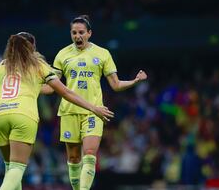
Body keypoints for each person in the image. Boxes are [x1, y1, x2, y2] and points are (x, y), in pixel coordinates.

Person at [0, 32, 114, 190]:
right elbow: (65, 92)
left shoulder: (1, 66)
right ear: (31, 48)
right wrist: (93, 107)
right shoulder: (37, 64)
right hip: (23, 115)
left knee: (10, 168)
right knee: (17, 168)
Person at [41, 15, 147, 190]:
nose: (77, 36)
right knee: (74, 158)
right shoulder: (62, 55)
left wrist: (135, 81)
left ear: (89, 33)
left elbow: (116, 84)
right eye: (74, 33)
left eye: (81, 32)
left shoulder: (103, 54)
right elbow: (53, 87)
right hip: (69, 111)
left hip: (94, 111)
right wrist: (32, 88)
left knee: (89, 153)